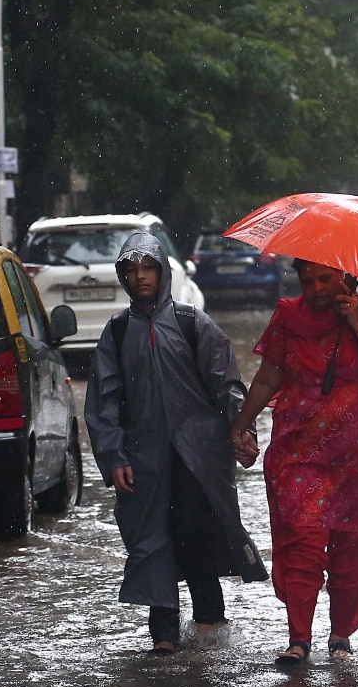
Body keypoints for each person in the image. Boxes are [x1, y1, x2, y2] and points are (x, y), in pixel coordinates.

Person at [84, 233, 268, 655]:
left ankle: (209, 623)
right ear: (122, 277)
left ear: (163, 272)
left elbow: (228, 386)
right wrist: (113, 457)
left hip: (198, 455)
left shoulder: (193, 324)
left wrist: (243, 433)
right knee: (150, 539)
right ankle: (164, 636)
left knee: (193, 531)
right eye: (130, 271)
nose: (139, 277)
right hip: (142, 457)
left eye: (147, 268)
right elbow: (103, 403)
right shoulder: (116, 332)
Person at [229, 260, 358, 665]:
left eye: (325, 278)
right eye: (308, 281)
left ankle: (340, 635)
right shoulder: (288, 317)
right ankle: (299, 638)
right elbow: (268, 378)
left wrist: (356, 323)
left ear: (344, 278)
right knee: (302, 541)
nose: (316, 288)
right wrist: (239, 426)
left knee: (353, 547)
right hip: (299, 449)